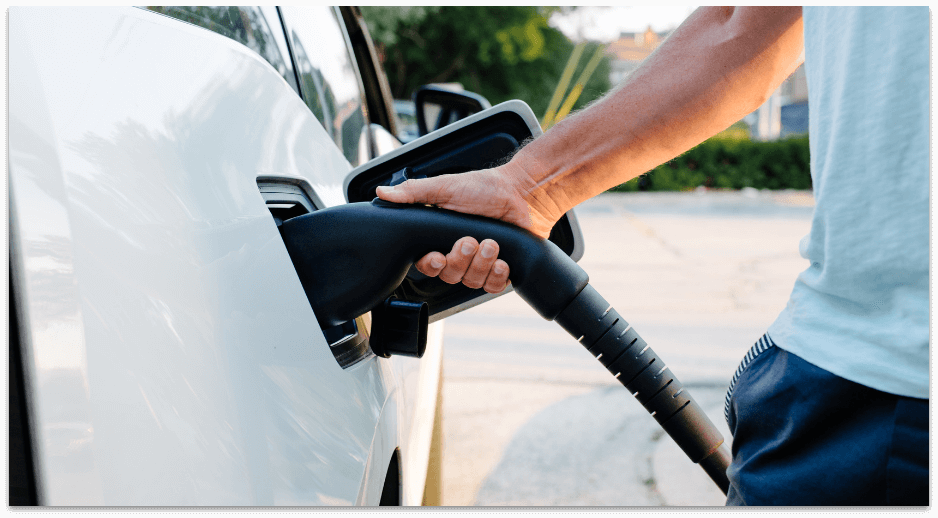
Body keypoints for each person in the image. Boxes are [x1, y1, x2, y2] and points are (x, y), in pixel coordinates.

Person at [377, 6, 928, 505]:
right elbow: (740, 29)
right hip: (859, 384)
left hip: (881, 386)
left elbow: (738, 29)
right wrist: (529, 188)